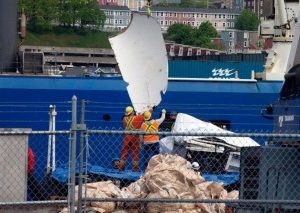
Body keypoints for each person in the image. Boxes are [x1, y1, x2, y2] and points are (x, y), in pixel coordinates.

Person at [116, 106, 145, 171]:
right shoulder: (136, 117)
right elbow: (144, 117)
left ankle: (121, 167)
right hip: (134, 136)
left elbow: (124, 126)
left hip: (127, 136)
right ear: (132, 112)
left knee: (124, 152)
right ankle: (135, 169)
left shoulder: (124, 119)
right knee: (135, 153)